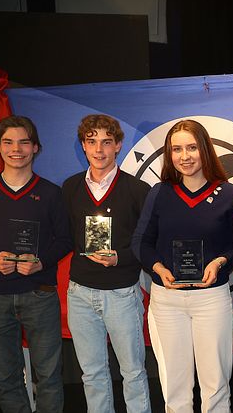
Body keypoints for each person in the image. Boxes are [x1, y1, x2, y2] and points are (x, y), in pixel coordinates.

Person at [0, 115, 72, 413]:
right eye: (8, 142)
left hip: (40, 293)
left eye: (23, 142)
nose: (15, 149)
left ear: (35, 148)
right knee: (5, 377)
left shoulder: (51, 193)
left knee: (48, 375)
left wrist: (41, 262)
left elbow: (66, 240)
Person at [132, 119, 233, 413]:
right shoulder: (159, 193)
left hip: (211, 299)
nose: (185, 156)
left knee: (216, 384)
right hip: (167, 300)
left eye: (192, 147)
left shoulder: (230, 195)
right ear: (169, 154)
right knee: (174, 387)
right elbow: (140, 243)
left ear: (205, 149)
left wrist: (221, 261)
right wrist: (158, 267)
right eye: (177, 149)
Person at [62, 114, 151, 413]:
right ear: (83, 146)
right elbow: (65, 237)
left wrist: (120, 257)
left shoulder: (138, 190)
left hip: (122, 294)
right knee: (93, 374)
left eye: (106, 142)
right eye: (91, 142)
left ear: (118, 146)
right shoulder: (71, 187)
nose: (99, 149)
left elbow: (148, 244)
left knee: (134, 372)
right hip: (80, 294)